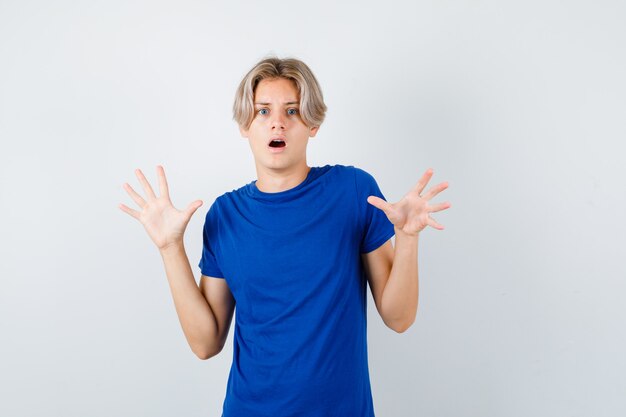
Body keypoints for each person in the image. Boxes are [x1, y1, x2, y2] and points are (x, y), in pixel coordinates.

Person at [119, 56, 451, 417]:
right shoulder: (225, 215)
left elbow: (399, 318)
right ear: (245, 124)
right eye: (263, 111)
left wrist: (407, 238)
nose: (277, 122)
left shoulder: (354, 192)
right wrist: (170, 249)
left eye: (292, 111)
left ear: (313, 123)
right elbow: (205, 342)